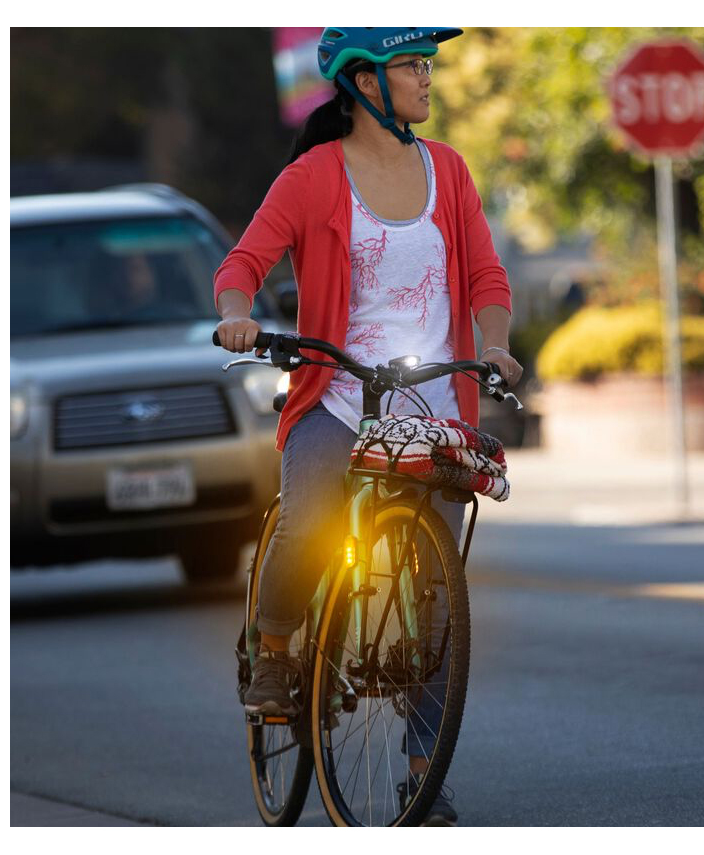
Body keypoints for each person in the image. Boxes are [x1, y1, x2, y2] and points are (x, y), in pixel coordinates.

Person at [212, 27, 523, 826]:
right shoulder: (312, 176)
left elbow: (486, 275)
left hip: (431, 408)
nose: (427, 77)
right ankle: (274, 649)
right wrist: (239, 316)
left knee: (435, 599)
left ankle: (422, 773)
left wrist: (493, 345)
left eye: (426, 65)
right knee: (309, 521)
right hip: (337, 397)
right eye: (411, 65)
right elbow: (242, 264)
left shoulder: (448, 169)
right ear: (363, 82)